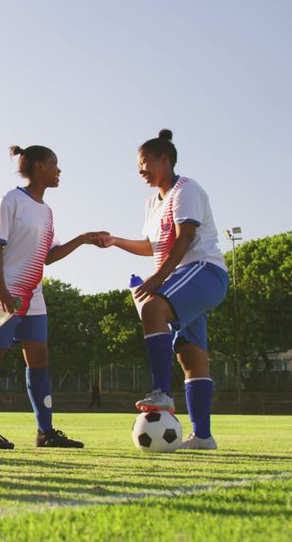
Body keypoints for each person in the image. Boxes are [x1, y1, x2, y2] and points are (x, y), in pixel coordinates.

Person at [95, 129, 229, 450]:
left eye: (145, 163)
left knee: (153, 307)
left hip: (203, 271)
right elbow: (151, 245)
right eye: (138, 165)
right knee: (190, 356)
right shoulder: (152, 203)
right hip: (184, 277)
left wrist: (157, 281)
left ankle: (161, 393)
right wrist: (115, 241)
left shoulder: (186, 190)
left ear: (165, 160)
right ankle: (203, 437)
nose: (141, 170)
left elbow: (185, 238)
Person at [0, 145, 101, 450]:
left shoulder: (46, 210)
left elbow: (49, 257)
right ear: (38, 166)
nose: (59, 171)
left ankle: (45, 433)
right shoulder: (11, 199)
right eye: (54, 165)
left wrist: (82, 240)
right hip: (1, 291)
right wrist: (3, 292)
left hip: (33, 295)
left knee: (40, 359)